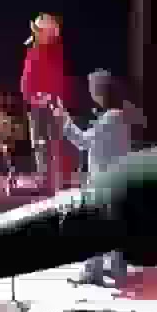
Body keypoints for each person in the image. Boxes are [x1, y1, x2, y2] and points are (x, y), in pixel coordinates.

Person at [56, 70, 137, 286]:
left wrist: (64, 120)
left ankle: (94, 272)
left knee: (95, 226)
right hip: (115, 179)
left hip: (104, 181)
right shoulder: (118, 117)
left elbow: (83, 142)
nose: (91, 93)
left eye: (93, 88)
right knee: (111, 226)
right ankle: (115, 269)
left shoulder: (111, 119)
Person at [20, 14, 75, 191]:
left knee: (54, 143)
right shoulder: (35, 50)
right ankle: (47, 179)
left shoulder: (52, 53)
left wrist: (47, 98)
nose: (35, 35)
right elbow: (27, 80)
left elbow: (56, 82)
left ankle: (58, 180)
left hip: (49, 105)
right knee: (41, 144)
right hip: (38, 105)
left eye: (38, 31)